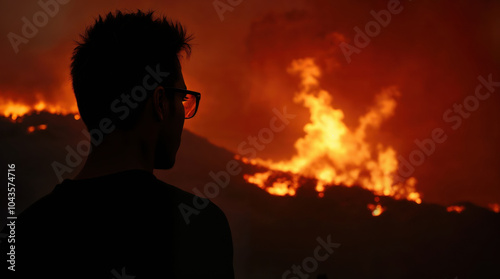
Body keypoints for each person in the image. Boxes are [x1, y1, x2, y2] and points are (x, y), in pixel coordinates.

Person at [0, 10, 234, 278]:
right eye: (182, 99)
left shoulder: (22, 235)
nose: (184, 113)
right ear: (159, 103)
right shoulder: (199, 227)